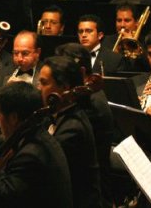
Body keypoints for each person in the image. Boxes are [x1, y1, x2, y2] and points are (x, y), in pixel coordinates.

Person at [36, 55, 102, 208]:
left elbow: (42, 164)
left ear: (65, 88)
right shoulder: (55, 113)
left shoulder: (73, 128)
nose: (38, 88)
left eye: (44, 83)